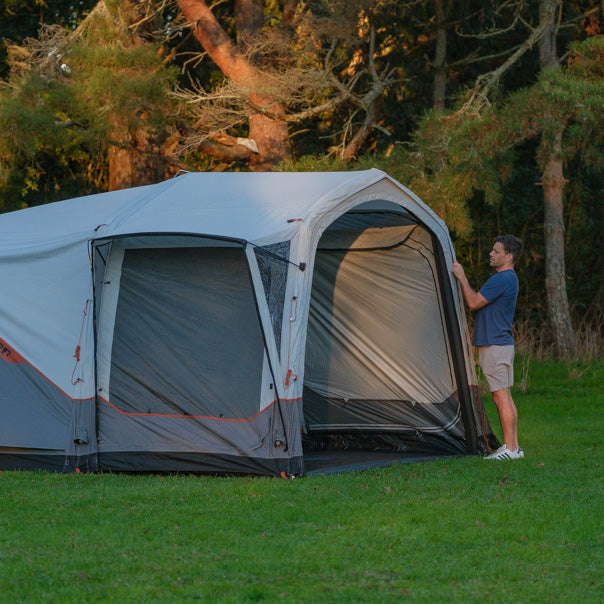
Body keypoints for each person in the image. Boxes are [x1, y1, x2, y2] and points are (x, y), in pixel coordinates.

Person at [452, 235, 524, 460]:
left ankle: (510, 449)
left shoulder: (501, 279)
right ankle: (513, 447)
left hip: (495, 345)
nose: (491, 254)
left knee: (501, 398)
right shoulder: (509, 279)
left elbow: (474, 302)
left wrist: (462, 277)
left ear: (508, 256)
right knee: (504, 396)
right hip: (499, 344)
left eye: (496, 251)